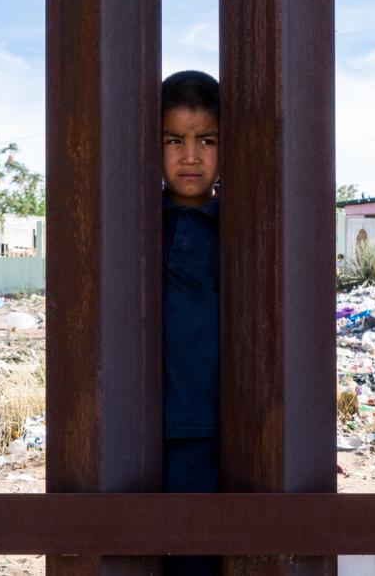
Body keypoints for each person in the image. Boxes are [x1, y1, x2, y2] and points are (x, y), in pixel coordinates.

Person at [160, 70, 221, 575]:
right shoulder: (137, 220)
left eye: (206, 140)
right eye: (174, 140)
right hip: (154, 430)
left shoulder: (239, 225)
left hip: (222, 428)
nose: (191, 155)